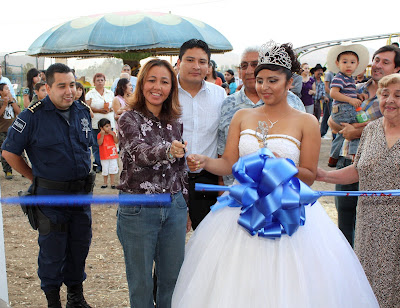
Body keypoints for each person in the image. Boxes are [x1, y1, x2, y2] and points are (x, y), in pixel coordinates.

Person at [171, 40, 378, 308]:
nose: (264, 87)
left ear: (289, 82)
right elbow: (229, 165)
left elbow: (308, 175)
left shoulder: (307, 121)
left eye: (272, 80)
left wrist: (282, 167)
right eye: (260, 80)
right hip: (242, 209)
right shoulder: (242, 116)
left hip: (289, 211)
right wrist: (204, 161)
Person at [1, 63, 94, 308]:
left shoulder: (82, 111)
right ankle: (53, 301)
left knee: (79, 246)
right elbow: (10, 152)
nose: (69, 91)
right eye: (62, 86)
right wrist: (35, 178)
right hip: (51, 197)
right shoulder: (32, 115)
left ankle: (76, 297)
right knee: (53, 251)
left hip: (81, 195)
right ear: (48, 87)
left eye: (72, 85)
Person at [317, 73, 400, 308]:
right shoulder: (371, 129)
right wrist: (324, 175)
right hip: (368, 223)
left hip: (397, 226)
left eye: (398, 95)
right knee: (367, 282)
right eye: (385, 95)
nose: (390, 100)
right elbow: (358, 170)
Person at [116, 58, 190, 308]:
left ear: (172, 88)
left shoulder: (175, 121)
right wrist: (169, 150)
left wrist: (185, 206)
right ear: (141, 84)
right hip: (138, 209)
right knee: (141, 285)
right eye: (152, 80)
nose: (157, 87)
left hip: (174, 208)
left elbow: (181, 169)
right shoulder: (128, 119)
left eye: (165, 82)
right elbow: (140, 153)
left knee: (172, 280)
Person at [328, 44, 400, 247]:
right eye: (376, 60)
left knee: (371, 229)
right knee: (344, 222)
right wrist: (343, 128)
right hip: (347, 161)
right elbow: (331, 121)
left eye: (385, 62)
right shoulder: (354, 89)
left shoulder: (394, 97)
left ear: (396, 69)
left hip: (378, 172)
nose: (377, 65)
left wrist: (356, 130)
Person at [218, 46, 305, 186]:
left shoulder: (294, 103)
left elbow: (305, 162)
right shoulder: (228, 104)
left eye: (255, 64)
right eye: (244, 65)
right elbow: (223, 153)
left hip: (285, 195)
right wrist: (222, 188)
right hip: (239, 194)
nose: (249, 70)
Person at [177, 39, 226, 230]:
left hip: (207, 181)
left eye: (202, 62)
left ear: (209, 66)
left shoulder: (220, 95)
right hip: (173, 180)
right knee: (171, 247)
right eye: (190, 60)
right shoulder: (166, 94)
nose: (196, 66)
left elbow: (223, 137)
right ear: (179, 63)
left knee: (207, 240)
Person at [326, 44, 369, 168]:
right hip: (343, 110)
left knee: (343, 134)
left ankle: (333, 157)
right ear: (337, 63)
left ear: (357, 64)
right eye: (345, 62)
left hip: (346, 109)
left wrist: (356, 95)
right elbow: (333, 93)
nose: (348, 65)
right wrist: (351, 100)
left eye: (352, 62)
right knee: (357, 129)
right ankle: (354, 156)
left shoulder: (349, 79)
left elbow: (347, 91)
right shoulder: (339, 77)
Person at [85, 73, 115, 173]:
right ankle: (99, 164)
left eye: (102, 80)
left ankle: (109, 165)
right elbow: (87, 107)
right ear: (94, 82)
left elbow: (115, 105)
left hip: (109, 123)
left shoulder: (110, 93)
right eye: (98, 80)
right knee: (96, 144)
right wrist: (98, 110)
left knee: (109, 144)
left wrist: (110, 109)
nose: (100, 82)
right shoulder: (90, 94)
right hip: (96, 123)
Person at [0, 83, 21, 180]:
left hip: (13, 130)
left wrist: (12, 101)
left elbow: (19, 112)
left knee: (20, 150)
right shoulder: (0, 102)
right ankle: (8, 171)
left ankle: (23, 170)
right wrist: (4, 105)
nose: (8, 90)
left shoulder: (12, 101)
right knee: (4, 151)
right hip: (2, 131)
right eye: (6, 89)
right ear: (0, 92)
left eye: (9, 89)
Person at [97, 118, 118, 189]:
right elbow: (99, 143)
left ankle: (112, 183)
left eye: (109, 126)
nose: (109, 128)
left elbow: (116, 141)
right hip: (104, 155)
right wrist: (102, 135)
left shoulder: (112, 133)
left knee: (112, 169)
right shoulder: (99, 134)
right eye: (106, 126)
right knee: (105, 170)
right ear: (101, 128)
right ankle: (105, 183)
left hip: (113, 155)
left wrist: (114, 135)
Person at [320, 70, 335, 138]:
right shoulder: (329, 74)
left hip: (334, 99)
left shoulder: (336, 74)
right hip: (329, 99)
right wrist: (333, 95)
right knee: (326, 116)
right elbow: (326, 87)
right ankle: (322, 132)